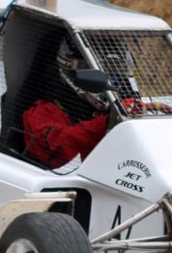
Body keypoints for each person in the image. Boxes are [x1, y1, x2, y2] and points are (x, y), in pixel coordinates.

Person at [21, 38, 110, 168]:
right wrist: (105, 123)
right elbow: (60, 146)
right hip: (58, 178)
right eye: (102, 75)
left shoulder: (108, 107)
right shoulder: (42, 110)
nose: (111, 80)